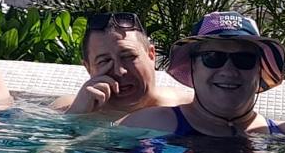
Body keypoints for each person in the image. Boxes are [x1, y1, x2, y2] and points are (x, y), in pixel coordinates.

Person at [119, 11, 285, 138]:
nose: (229, 71)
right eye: (213, 57)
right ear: (193, 66)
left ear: (259, 69)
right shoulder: (147, 125)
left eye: (244, 59)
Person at [50, 12, 192, 118]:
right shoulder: (68, 108)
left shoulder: (188, 107)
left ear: (151, 55)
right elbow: (51, 149)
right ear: (88, 68)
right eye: (104, 61)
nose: (120, 71)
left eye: (129, 56)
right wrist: (75, 117)